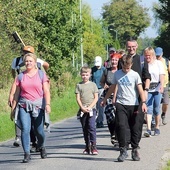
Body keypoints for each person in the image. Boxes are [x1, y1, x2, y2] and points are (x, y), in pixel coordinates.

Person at [101, 54, 147, 162]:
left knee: (135, 128)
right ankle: (123, 150)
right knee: (121, 126)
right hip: (121, 104)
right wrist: (105, 99)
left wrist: (144, 102)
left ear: (131, 64)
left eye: (128, 67)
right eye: (124, 67)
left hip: (134, 104)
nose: (126, 70)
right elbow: (112, 87)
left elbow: (140, 90)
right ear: (121, 64)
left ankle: (134, 149)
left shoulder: (135, 75)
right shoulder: (117, 74)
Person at [10, 52, 50, 163]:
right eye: (26, 61)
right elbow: (17, 94)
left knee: (39, 131)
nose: (28, 63)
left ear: (34, 62)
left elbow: (46, 90)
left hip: (38, 105)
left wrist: (47, 104)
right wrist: (13, 109)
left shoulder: (41, 74)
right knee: (25, 129)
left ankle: (41, 146)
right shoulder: (20, 76)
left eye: (30, 61)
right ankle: (26, 153)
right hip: (24, 105)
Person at [124, 37, 151, 148]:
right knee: (126, 120)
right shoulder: (123, 59)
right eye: (129, 47)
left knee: (138, 120)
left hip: (139, 95)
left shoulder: (142, 60)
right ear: (126, 47)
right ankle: (127, 141)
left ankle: (136, 143)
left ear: (137, 46)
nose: (131, 49)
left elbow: (147, 77)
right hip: (125, 94)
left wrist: (146, 90)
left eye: (133, 46)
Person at [75, 66, 99, 155]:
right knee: (85, 128)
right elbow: (78, 98)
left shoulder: (93, 85)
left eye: (87, 75)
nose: (85, 76)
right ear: (81, 75)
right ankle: (87, 146)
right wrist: (82, 107)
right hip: (83, 109)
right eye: (83, 75)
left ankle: (94, 146)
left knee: (91, 127)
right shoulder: (79, 85)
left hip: (92, 109)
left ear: (90, 75)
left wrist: (90, 107)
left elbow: (96, 97)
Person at [143, 47, 165, 137]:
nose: (147, 57)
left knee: (156, 108)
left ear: (152, 55)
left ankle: (157, 127)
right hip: (148, 88)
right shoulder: (144, 64)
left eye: (148, 55)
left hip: (157, 88)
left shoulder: (158, 64)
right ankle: (148, 129)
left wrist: (162, 86)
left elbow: (162, 75)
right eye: (145, 55)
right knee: (149, 108)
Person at [100, 53, 121, 145]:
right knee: (110, 117)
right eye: (113, 60)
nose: (114, 62)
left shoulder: (121, 71)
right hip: (108, 96)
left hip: (119, 96)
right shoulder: (106, 71)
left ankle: (117, 136)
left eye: (116, 60)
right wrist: (103, 85)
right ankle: (112, 133)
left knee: (118, 117)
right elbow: (101, 82)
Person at [155, 47, 170, 125]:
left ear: (162, 54)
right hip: (156, 85)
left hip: (165, 85)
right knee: (156, 104)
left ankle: (163, 114)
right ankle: (155, 119)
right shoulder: (153, 62)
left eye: (159, 55)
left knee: (166, 102)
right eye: (156, 55)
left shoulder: (166, 62)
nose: (157, 57)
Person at [91, 56, 106, 128]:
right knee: (95, 106)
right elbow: (91, 79)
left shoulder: (104, 69)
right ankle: (95, 121)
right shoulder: (92, 70)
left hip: (101, 89)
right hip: (94, 89)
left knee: (101, 106)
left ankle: (100, 121)